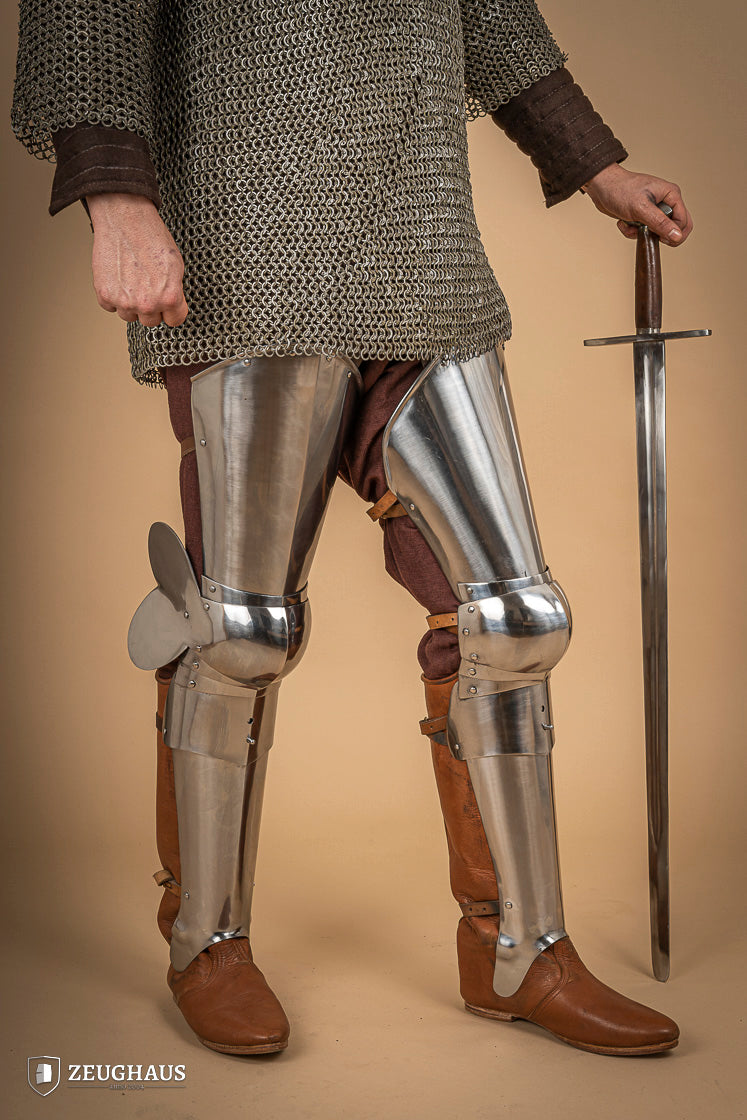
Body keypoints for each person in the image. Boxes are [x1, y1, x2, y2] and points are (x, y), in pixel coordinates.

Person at [12, 0, 691, 1057]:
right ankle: (206, 940)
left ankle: (520, 952)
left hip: (421, 253)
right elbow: (90, 15)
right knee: (241, 629)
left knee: (512, 618)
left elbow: (487, 14)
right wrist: (117, 196)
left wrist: (595, 165)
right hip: (249, 243)